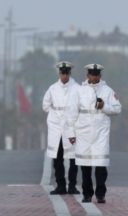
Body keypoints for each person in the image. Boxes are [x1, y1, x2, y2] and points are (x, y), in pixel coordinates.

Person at [74, 63, 121, 204]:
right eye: (92, 74)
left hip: (101, 133)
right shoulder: (79, 91)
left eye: (97, 74)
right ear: (87, 75)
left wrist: (104, 106)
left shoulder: (107, 91)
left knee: (101, 166)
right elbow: (72, 112)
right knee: (85, 166)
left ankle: (101, 194)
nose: (94, 77)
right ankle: (87, 194)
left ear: (100, 75)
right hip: (84, 133)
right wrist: (72, 132)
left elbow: (118, 109)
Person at [42, 61, 80, 195]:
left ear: (70, 73)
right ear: (59, 73)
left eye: (66, 73)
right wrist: (55, 114)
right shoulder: (52, 88)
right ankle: (60, 185)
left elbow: (80, 107)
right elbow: (45, 105)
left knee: (73, 158)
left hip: (71, 127)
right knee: (57, 158)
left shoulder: (77, 88)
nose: (64, 76)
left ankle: (72, 185)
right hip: (56, 127)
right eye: (62, 73)